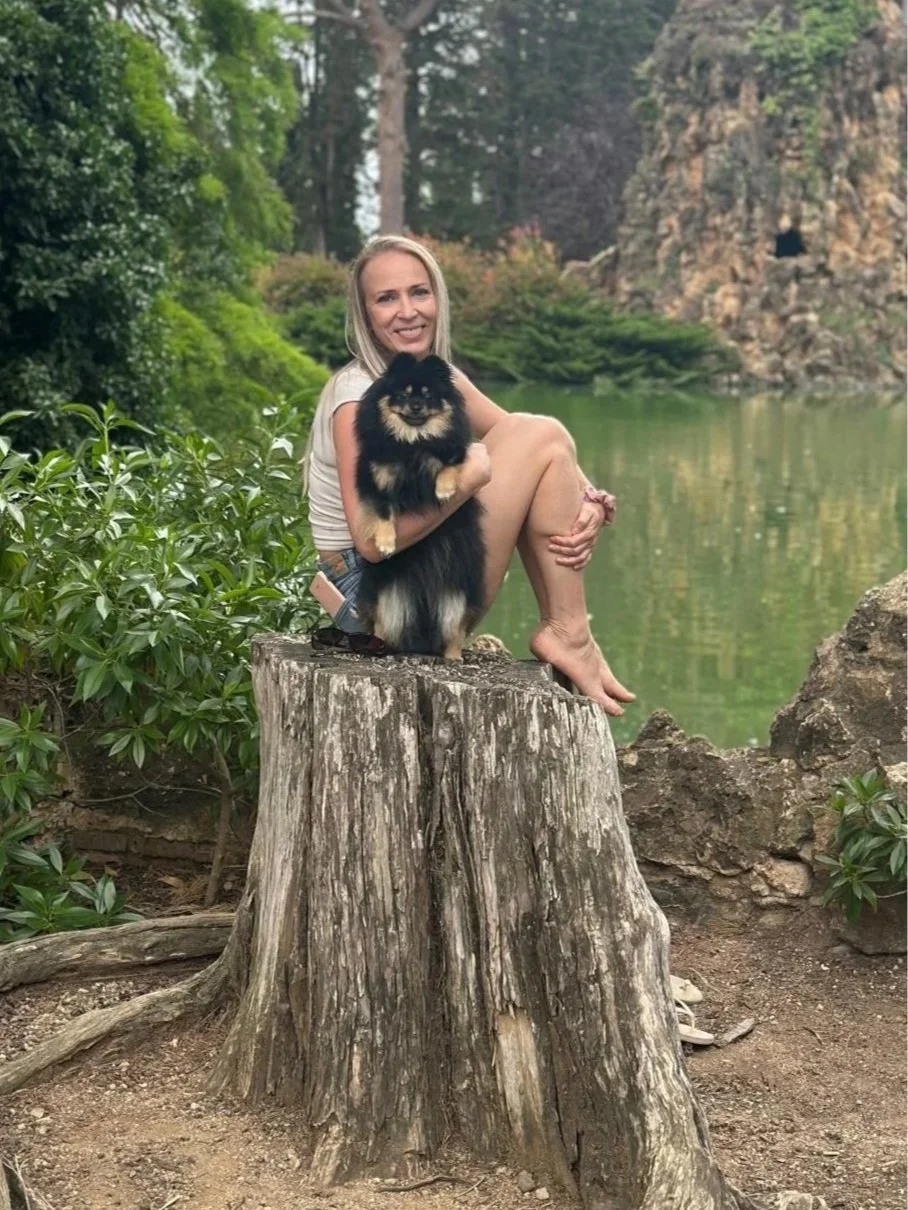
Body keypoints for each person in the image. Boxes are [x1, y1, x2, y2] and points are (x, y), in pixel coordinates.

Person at [305, 235, 635, 717]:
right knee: (540, 433)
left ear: (438, 297)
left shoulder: (437, 378)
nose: (407, 310)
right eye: (386, 298)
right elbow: (372, 543)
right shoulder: (355, 398)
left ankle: (569, 631)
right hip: (381, 608)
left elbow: (541, 449)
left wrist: (591, 499)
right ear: (364, 314)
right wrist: (464, 481)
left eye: (419, 292)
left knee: (542, 435)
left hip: (423, 585)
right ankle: (569, 633)